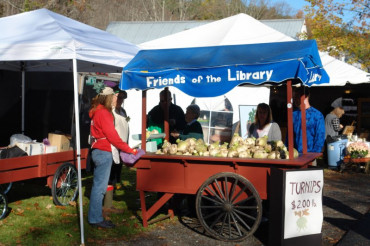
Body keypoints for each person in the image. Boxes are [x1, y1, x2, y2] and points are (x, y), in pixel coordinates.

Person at [88, 87, 137, 229]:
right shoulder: (104, 113)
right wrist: (129, 150)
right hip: (104, 151)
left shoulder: (96, 110)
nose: (117, 100)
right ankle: (95, 219)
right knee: (99, 188)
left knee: (98, 186)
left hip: (97, 150)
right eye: (115, 97)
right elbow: (113, 136)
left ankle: (95, 217)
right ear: (109, 98)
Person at [292, 87, 325, 154]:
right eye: (294, 97)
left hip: (310, 156)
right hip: (294, 155)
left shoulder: (317, 115)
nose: (294, 99)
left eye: (296, 96)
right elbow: (289, 136)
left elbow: (320, 138)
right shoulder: (293, 114)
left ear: (305, 97)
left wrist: (313, 155)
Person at [109, 90, 129, 190]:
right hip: (112, 146)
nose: (120, 100)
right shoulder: (110, 111)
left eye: (122, 98)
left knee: (118, 166)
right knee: (111, 167)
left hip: (122, 144)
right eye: (118, 97)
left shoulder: (123, 111)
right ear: (112, 97)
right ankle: (109, 189)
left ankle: (116, 183)